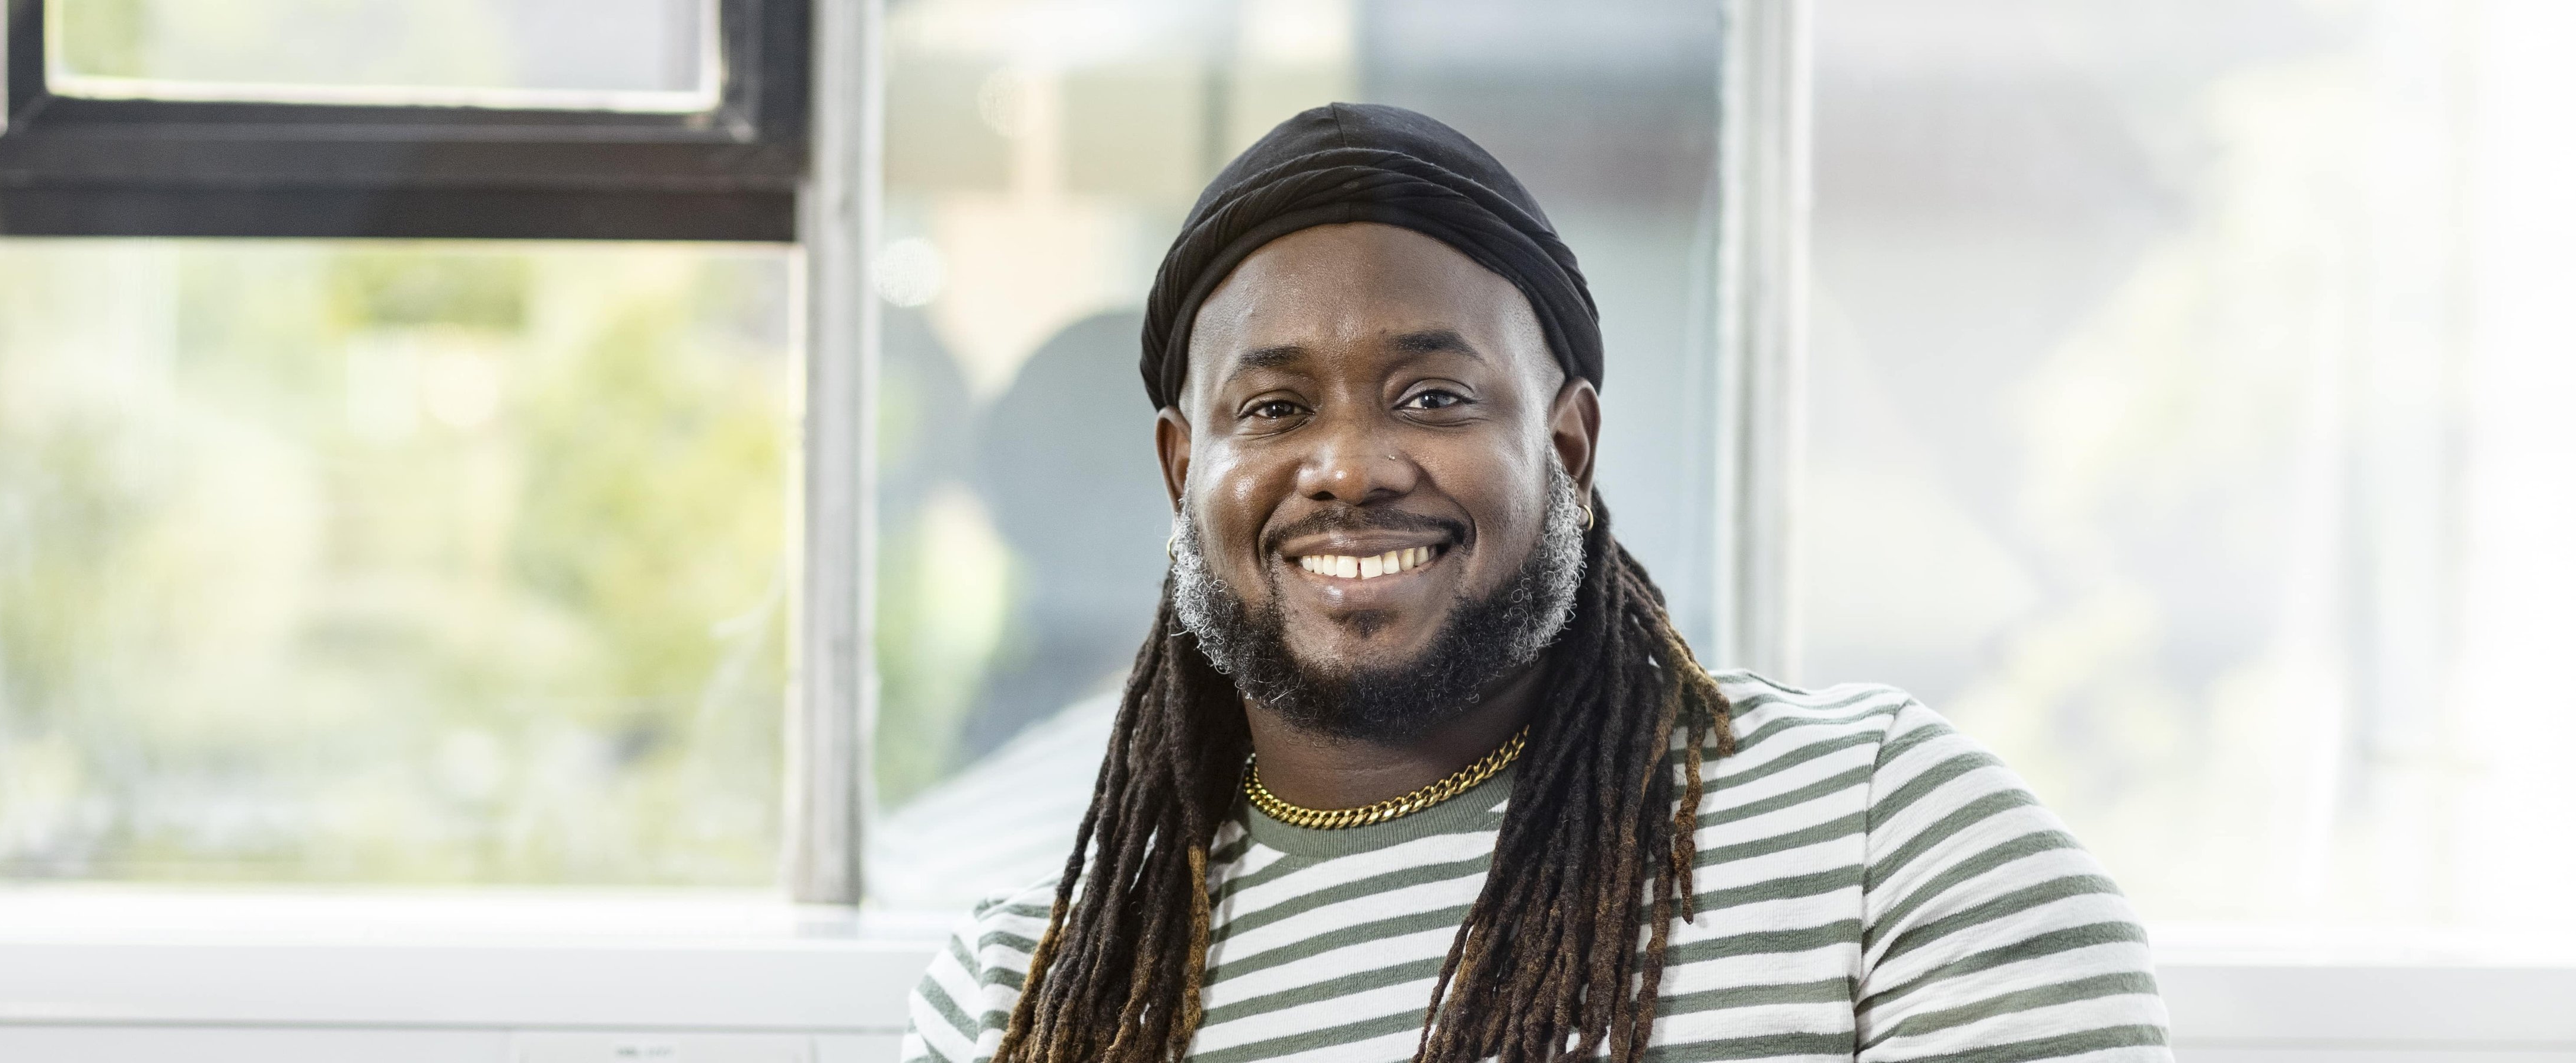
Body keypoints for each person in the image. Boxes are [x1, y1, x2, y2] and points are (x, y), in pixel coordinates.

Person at [902, 103, 2170, 1063]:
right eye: (1275, 408)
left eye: (1433, 396)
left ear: (1566, 446)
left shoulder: (1887, 837)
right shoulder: (1022, 991)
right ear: (1186, 471)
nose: (1348, 468)